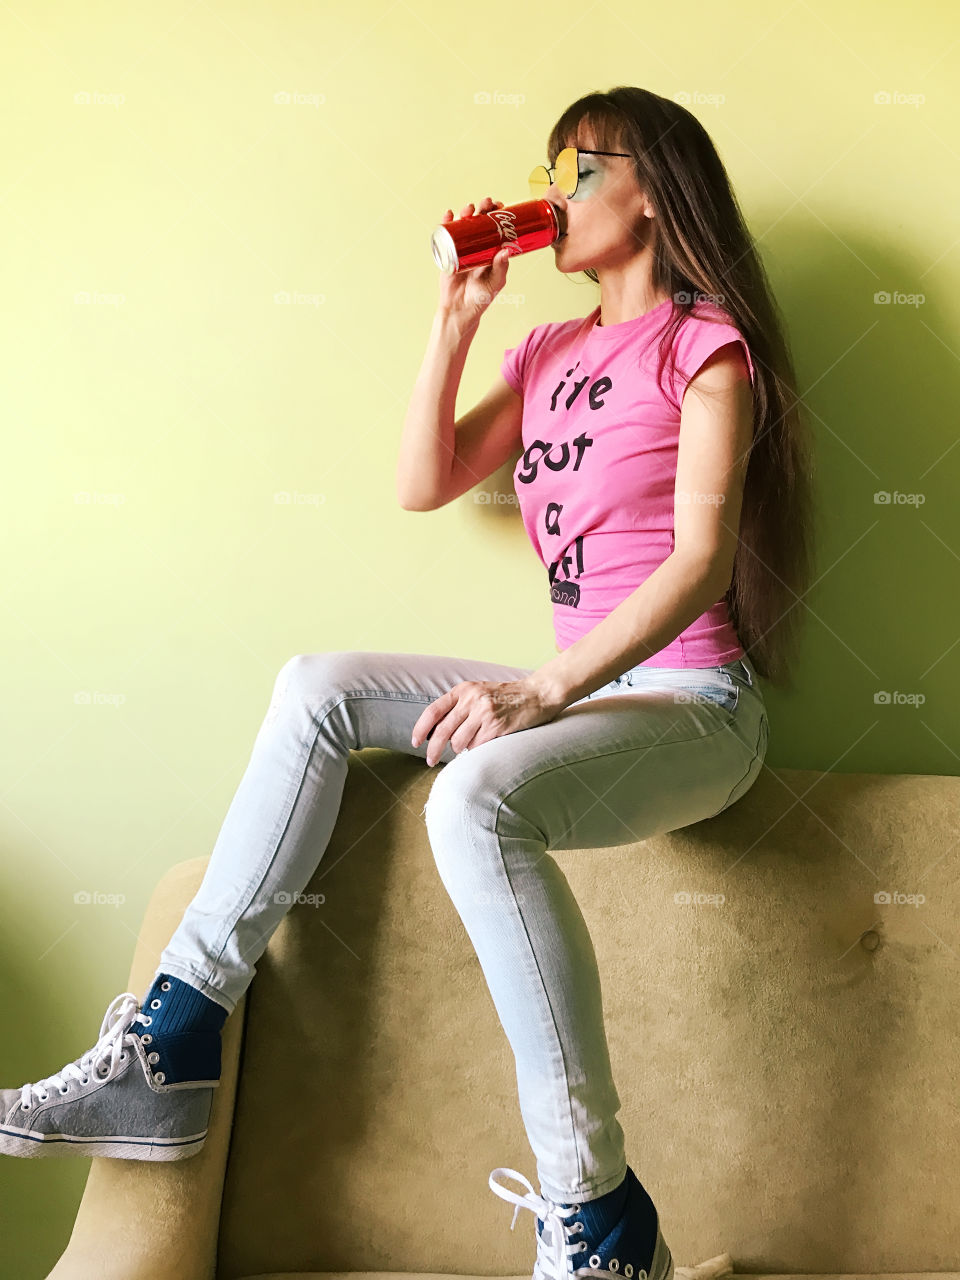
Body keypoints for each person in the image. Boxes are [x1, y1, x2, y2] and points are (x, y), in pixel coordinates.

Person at [0, 86, 814, 1279]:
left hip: (694, 708)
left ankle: (597, 1216)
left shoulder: (706, 347)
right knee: (318, 683)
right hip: (585, 696)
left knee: (471, 798)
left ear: (656, 188)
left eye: (581, 171)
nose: (553, 194)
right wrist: (455, 313)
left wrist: (540, 692)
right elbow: (423, 480)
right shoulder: (548, 351)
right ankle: (169, 1047)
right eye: (553, 171)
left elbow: (698, 563)